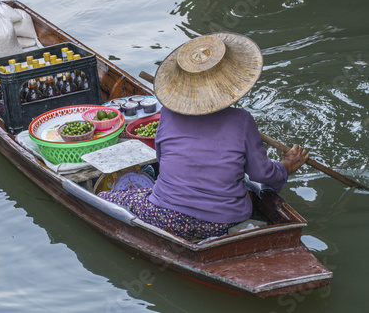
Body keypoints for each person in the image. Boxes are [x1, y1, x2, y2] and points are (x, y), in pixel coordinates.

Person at [98, 32, 309, 241]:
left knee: (104, 198)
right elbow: (261, 174)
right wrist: (285, 167)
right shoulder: (242, 120)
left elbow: (162, 160)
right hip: (224, 222)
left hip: (167, 216)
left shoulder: (168, 114)